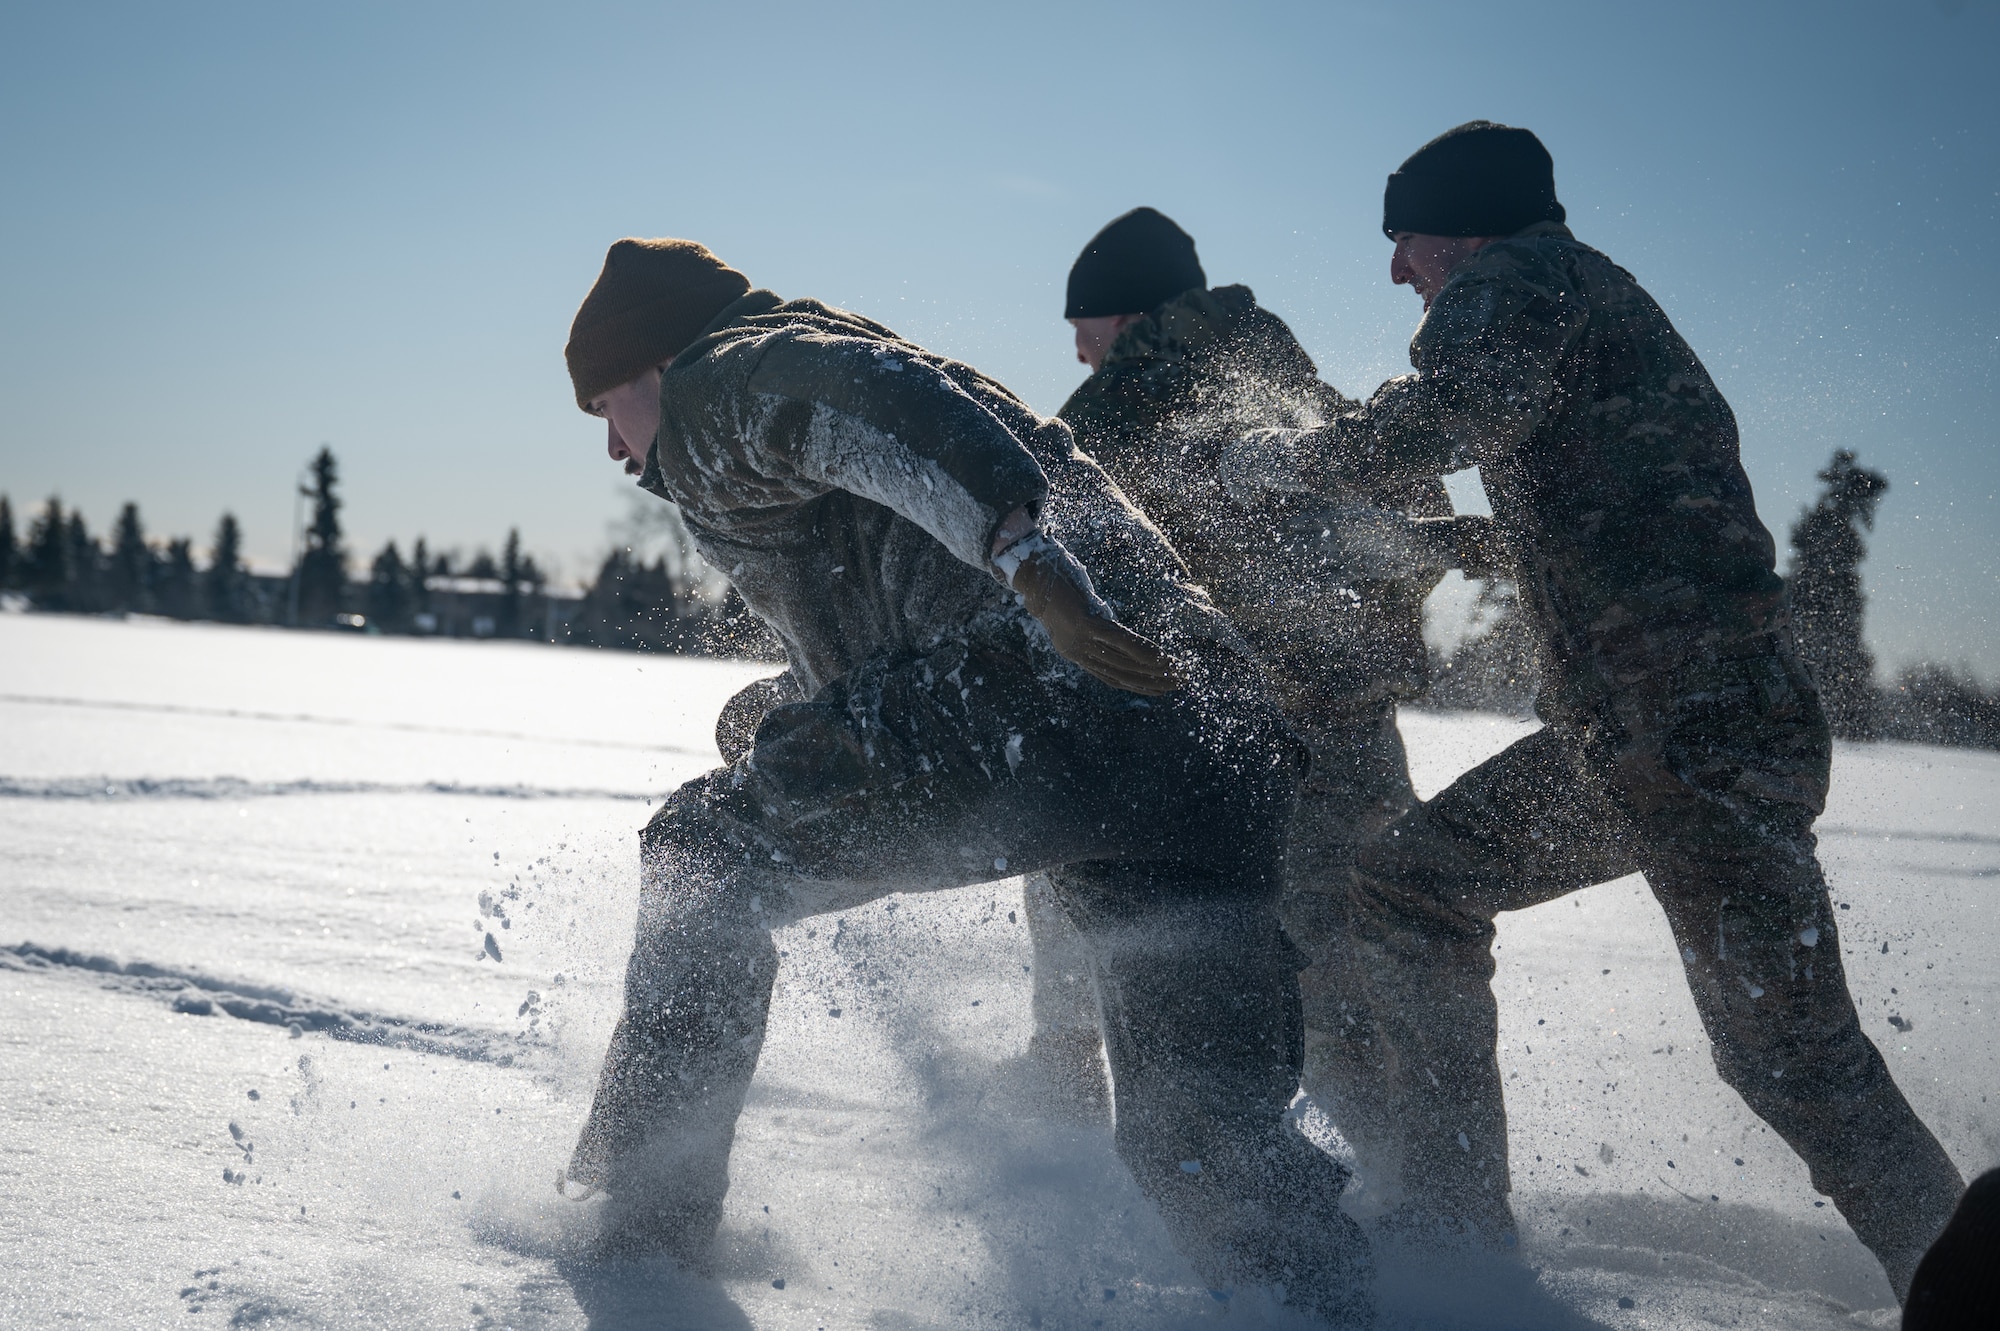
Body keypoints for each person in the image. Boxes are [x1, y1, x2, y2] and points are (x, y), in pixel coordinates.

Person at [558, 236, 1372, 1325]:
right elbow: (877, 591)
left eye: (605, 406)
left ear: (650, 364)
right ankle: (1328, 1300)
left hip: (1036, 695)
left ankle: (641, 1239)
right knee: (1199, 1137)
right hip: (1206, 739)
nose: (614, 447)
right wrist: (782, 716)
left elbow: (867, 405)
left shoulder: (723, 376)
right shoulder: (805, 368)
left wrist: (1025, 557)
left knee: (698, 853)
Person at [1218, 122, 1963, 1299]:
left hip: (1690, 739)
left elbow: (1444, 416)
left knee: (1794, 1061)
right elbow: (1601, 498)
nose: (1395, 269)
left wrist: (1286, 464)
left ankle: (1952, 1275)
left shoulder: (1519, 279)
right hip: (1646, 740)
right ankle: (1453, 1231)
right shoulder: (1584, 296)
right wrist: (1441, 540)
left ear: (1457, 229)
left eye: (1403, 240)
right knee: (1415, 880)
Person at [1021, 207, 1487, 1152]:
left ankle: (1067, 1105)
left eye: (1084, 332)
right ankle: (1446, 1204)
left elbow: (1033, 557)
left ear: (1123, 318)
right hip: (1355, 727)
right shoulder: (1287, 377)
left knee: (1086, 881)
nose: (1080, 356)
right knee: (1371, 963)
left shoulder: (1113, 411)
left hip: (1241, 741)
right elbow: (1412, 519)